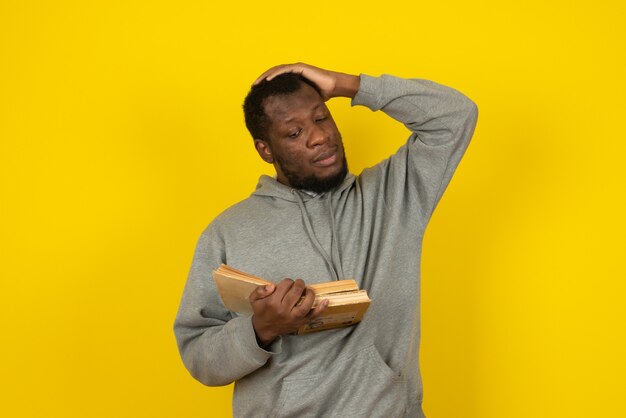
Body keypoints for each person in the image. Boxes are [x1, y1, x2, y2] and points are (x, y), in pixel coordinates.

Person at [174, 63, 478, 417]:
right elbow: (198, 355)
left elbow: (456, 116)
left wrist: (347, 85)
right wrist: (260, 329)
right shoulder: (228, 232)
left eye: (321, 118)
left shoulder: (394, 197)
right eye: (294, 133)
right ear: (265, 150)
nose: (319, 137)